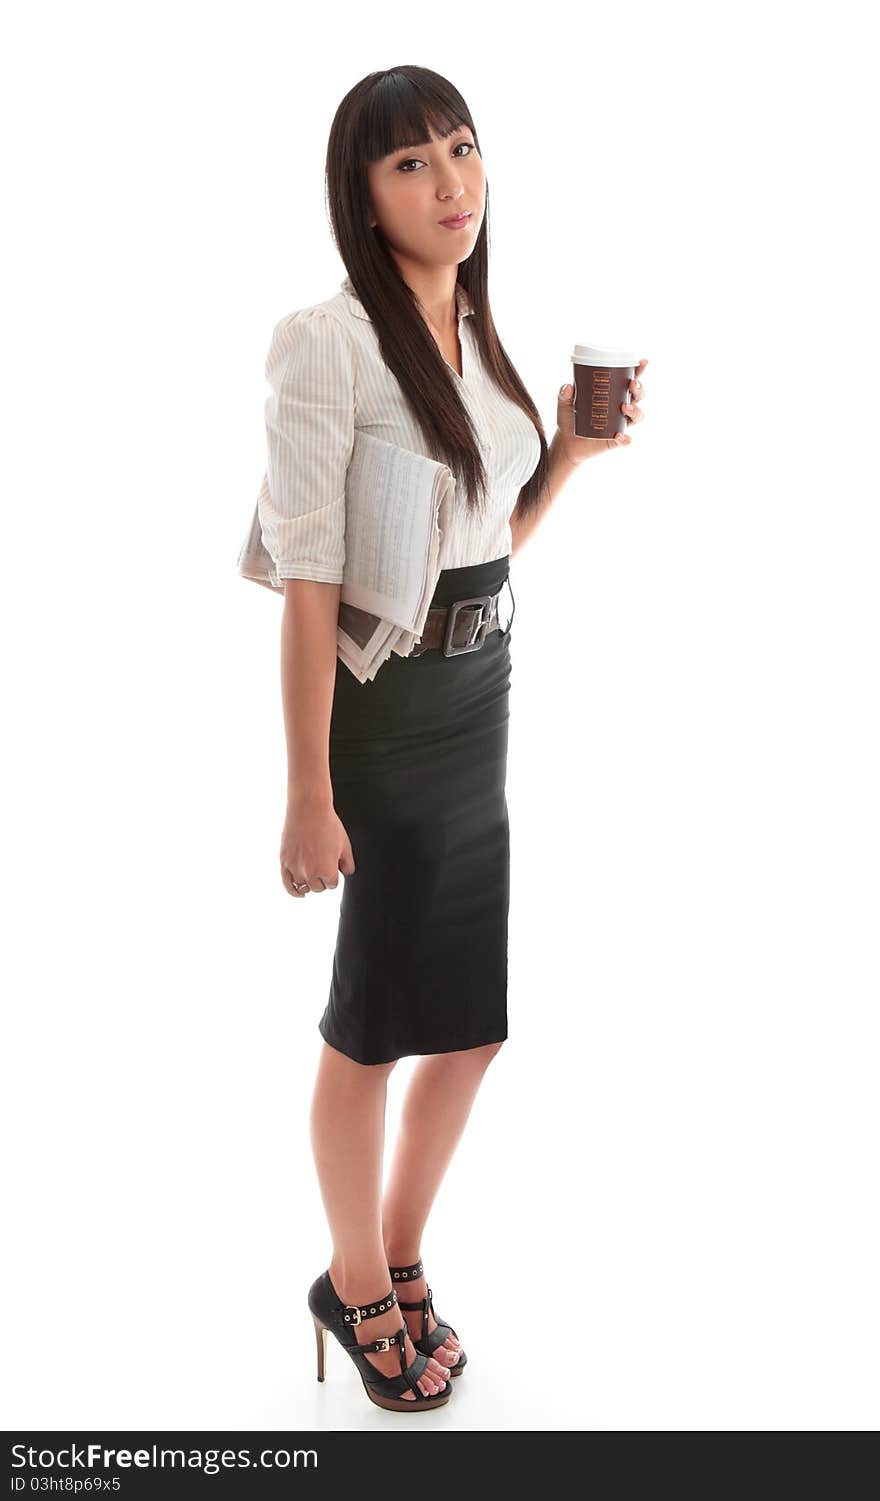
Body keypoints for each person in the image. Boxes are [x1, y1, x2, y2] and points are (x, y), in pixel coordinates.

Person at [250, 66, 647, 1413]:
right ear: (361, 197)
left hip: (482, 704)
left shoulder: (474, 328)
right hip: (381, 719)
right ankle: (355, 1286)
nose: (452, 183)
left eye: (463, 150)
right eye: (412, 164)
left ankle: (398, 1253)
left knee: (467, 1024)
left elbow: (475, 557)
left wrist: (570, 468)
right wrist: (307, 790)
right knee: (372, 1021)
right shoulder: (330, 338)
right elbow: (311, 583)